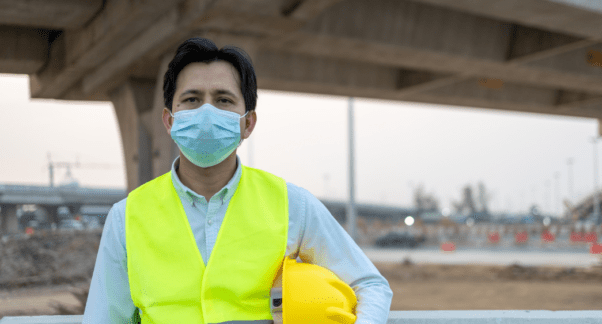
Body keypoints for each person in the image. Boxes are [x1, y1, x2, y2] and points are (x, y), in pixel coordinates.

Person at [82, 37, 393, 324]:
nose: (206, 112)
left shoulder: (291, 205)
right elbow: (104, 318)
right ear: (169, 120)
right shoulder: (126, 217)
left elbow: (369, 285)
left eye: (223, 100)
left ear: (248, 123)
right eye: (191, 99)